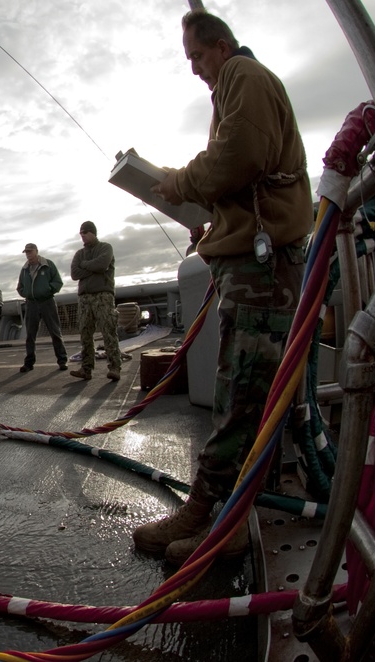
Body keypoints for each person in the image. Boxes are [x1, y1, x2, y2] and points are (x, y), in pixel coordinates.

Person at [136, 9, 312, 565]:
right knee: (242, 389)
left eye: (196, 57)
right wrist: (209, 210)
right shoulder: (234, 86)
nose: (194, 70)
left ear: (220, 45)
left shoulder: (245, 78)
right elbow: (245, 171)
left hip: (263, 269)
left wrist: (178, 182)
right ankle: (215, 506)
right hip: (250, 262)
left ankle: (224, 519)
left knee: (245, 395)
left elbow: (240, 155)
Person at [69, 222, 121, 382]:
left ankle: (114, 367)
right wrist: (92, 268)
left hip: (103, 296)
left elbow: (102, 264)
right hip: (85, 298)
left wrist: (85, 266)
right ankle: (86, 368)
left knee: (108, 331)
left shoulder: (106, 248)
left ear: (93, 233)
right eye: (81, 233)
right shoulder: (79, 253)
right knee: (85, 334)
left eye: (85, 232)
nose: (82, 235)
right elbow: (74, 273)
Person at [16, 243, 68, 373]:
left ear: (36, 251)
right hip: (31, 303)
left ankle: (62, 360)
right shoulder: (24, 269)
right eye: (26, 252)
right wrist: (26, 294)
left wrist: (48, 290)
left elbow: (58, 282)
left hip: (47, 302)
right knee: (30, 335)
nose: (28, 254)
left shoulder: (48, 265)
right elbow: (20, 287)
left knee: (55, 332)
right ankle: (29, 363)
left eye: (30, 251)